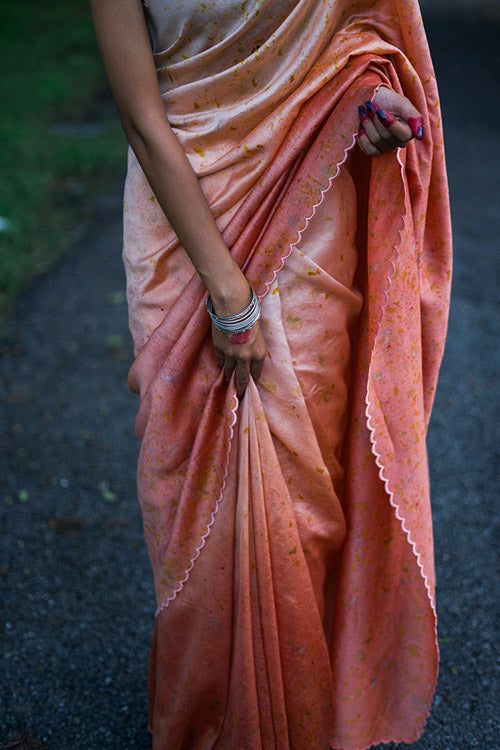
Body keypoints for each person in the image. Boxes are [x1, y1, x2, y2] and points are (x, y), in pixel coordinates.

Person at [88, 1, 452, 748]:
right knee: (188, 486)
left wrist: (370, 99)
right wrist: (227, 293)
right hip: (180, 224)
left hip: (308, 210)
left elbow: (355, 46)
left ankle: (299, 715)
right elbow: (141, 119)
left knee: (303, 487)